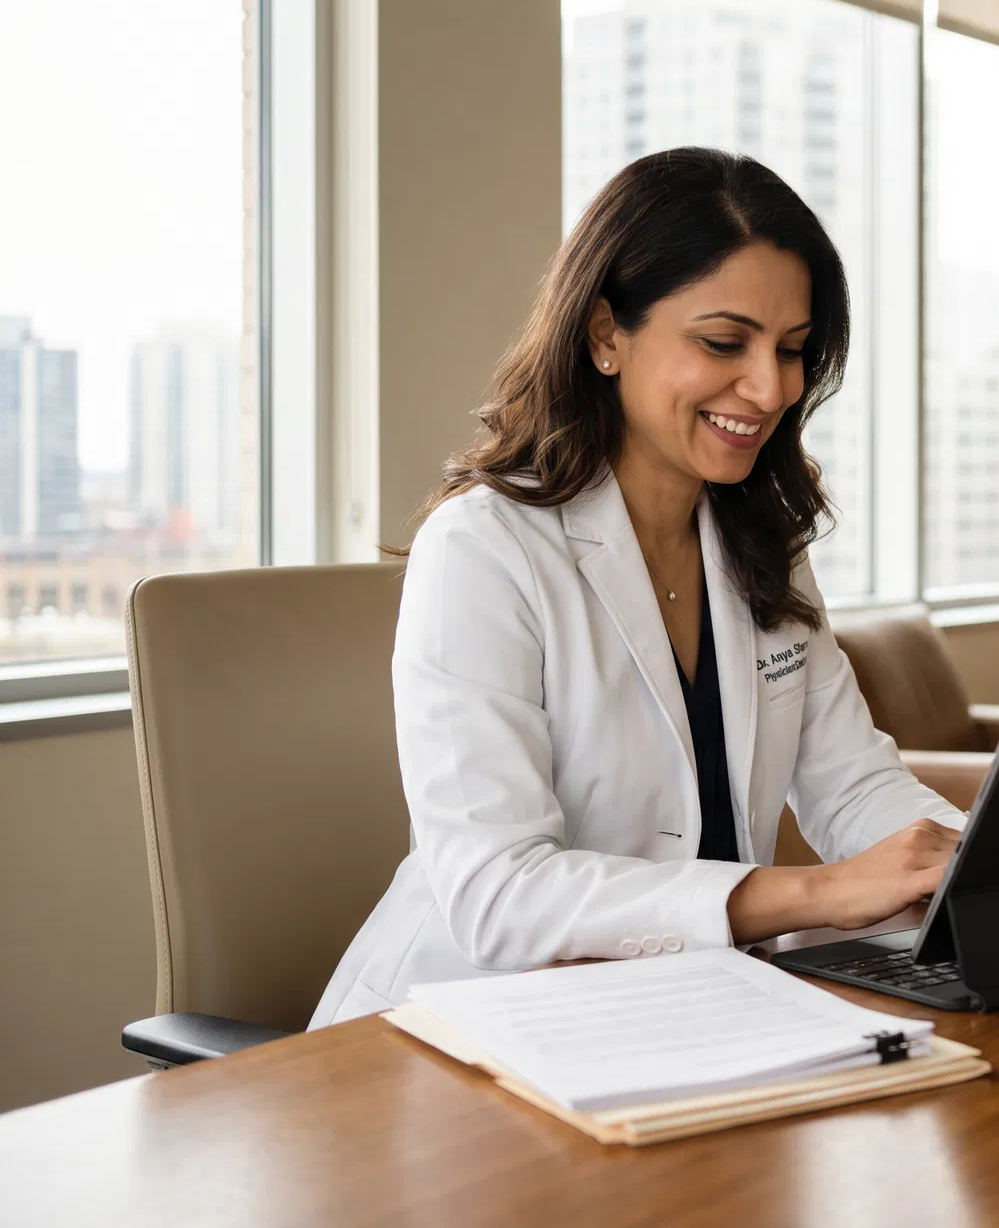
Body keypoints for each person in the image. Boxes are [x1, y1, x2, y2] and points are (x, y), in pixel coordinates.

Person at [311, 148, 963, 1026]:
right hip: (475, 1032)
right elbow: (500, 895)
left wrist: (974, 860)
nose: (770, 388)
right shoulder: (485, 549)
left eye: (794, 350)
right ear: (605, 335)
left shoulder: (759, 542)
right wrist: (815, 893)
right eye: (724, 342)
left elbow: (850, 785)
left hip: (688, 1015)